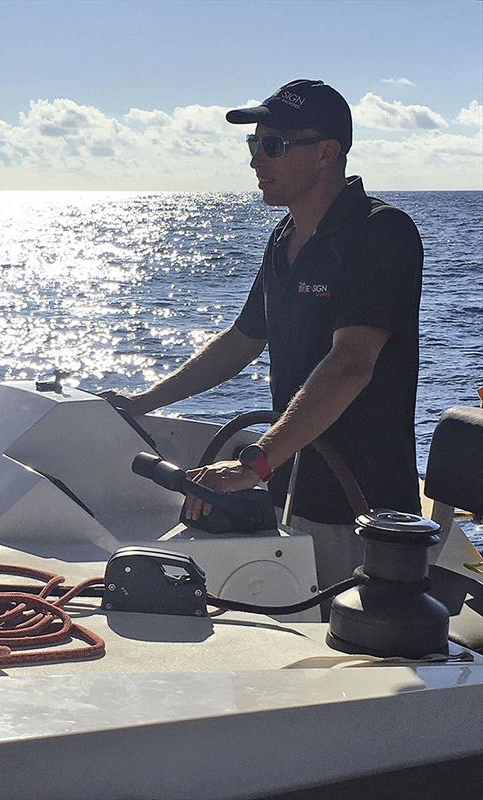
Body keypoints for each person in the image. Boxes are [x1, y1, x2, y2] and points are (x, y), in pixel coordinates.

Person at [101, 79, 424, 593]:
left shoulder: (381, 232)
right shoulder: (284, 237)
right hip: (294, 489)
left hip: (363, 506)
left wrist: (255, 463)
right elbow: (242, 340)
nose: (256, 160)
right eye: (254, 145)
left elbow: (351, 364)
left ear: (326, 153)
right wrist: (143, 401)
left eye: (273, 145)